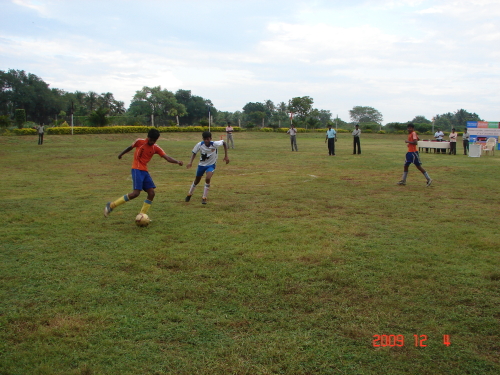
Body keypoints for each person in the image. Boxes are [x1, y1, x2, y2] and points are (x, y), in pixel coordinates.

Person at [104, 128, 183, 218]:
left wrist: (177, 161)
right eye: (151, 139)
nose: (152, 142)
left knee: (151, 193)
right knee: (135, 193)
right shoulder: (139, 142)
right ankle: (111, 205)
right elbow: (130, 147)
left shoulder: (155, 148)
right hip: (136, 169)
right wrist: (121, 154)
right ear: (147, 137)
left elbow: (167, 157)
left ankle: (142, 214)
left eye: (154, 140)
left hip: (144, 171)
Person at [185, 131, 229, 204]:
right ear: (203, 139)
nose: (206, 141)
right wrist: (190, 162)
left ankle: (204, 197)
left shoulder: (214, 144)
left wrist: (226, 156)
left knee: (208, 178)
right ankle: (189, 194)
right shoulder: (200, 144)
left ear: (210, 138)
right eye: (205, 139)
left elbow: (224, 143)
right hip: (201, 165)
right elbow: (194, 153)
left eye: (208, 139)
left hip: (211, 165)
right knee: (197, 181)